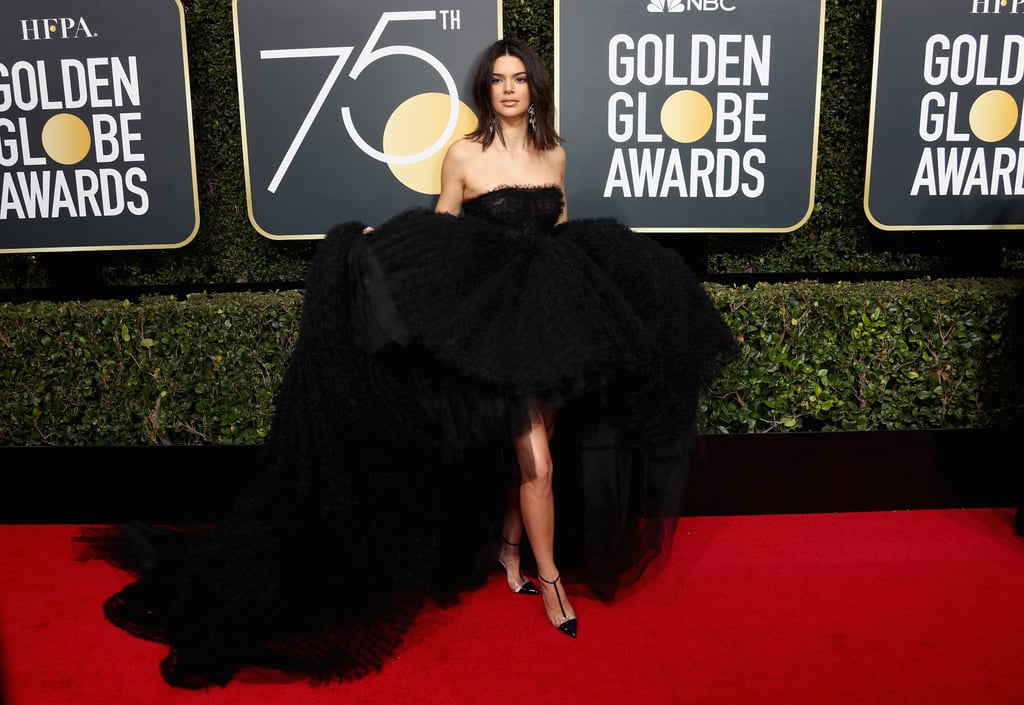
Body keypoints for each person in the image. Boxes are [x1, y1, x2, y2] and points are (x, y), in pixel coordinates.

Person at [75, 37, 739, 689]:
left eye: (519, 78)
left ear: (534, 88)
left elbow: (559, 231)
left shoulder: (555, 153)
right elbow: (443, 227)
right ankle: (552, 584)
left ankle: (510, 549)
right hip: (494, 327)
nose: (509, 88)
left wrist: (589, 292)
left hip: (553, 319)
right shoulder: (464, 154)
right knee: (537, 460)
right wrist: (378, 248)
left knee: (538, 444)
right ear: (487, 91)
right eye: (499, 79)